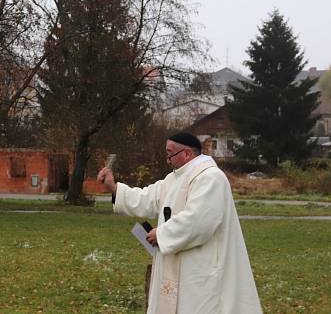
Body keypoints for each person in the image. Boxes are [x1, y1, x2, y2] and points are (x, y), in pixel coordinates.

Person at [97, 132, 262, 314]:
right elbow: (146, 198)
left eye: (170, 154)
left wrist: (161, 234)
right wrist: (113, 187)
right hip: (176, 264)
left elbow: (199, 221)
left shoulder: (211, 178)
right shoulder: (173, 179)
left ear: (186, 154)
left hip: (200, 266)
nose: (167, 160)